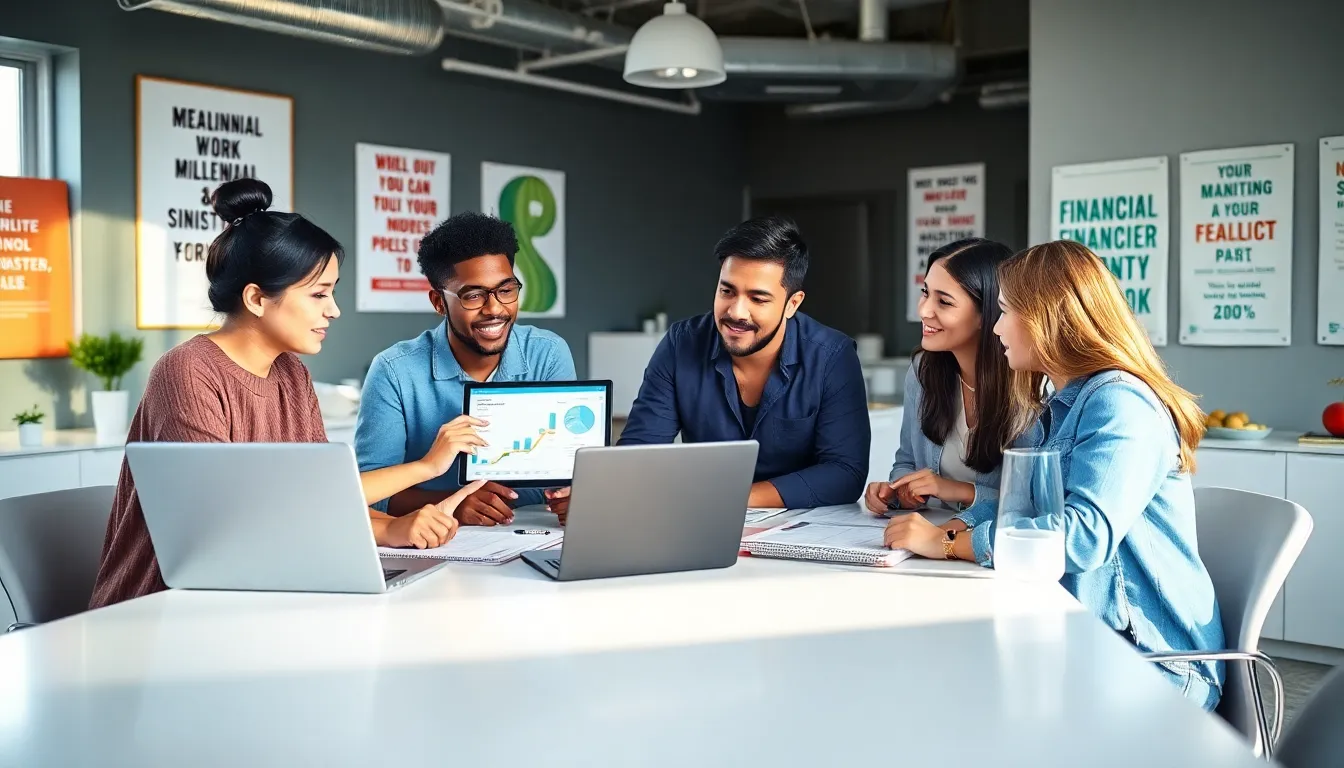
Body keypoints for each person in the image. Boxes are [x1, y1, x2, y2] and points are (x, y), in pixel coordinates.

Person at [90, 179, 485, 609]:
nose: (333, 309)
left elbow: (316, 501)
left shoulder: (292, 374)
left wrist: (394, 528)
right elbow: (232, 523)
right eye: (318, 294)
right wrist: (426, 467)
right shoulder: (187, 372)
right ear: (257, 298)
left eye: (332, 292)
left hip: (260, 595)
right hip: (163, 610)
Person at [884, 240, 1224, 710]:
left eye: (1005, 313)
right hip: (1081, 636)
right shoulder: (1058, 408)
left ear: (1048, 320)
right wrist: (952, 522)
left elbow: (1080, 537)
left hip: (1150, 659)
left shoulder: (1120, 403)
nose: (997, 327)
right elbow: (1021, 506)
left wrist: (946, 544)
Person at [546, 216, 870, 521]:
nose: (736, 311)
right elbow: (640, 452)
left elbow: (845, 473)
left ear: (793, 304)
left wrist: (731, 497)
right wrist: (599, 492)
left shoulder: (831, 356)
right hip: (698, 521)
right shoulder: (681, 344)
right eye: (727, 291)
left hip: (805, 527)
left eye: (758, 299)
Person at [354, 211, 576, 526]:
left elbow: (566, 471)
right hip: (435, 542)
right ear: (438, 302)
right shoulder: (394, 370)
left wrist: (575, 494)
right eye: (473, 296)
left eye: (506, 290)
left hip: (532, 533)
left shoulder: (548, 353)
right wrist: (452, 505)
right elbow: (369, 493)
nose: (495, 309)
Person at [862, 238, 1028, 542]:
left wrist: (953, 490)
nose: (924, 310)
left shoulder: (1029, 387)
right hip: (928, 541)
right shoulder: (923, 372)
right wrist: (898, 492)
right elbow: (907, 462)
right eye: (925, 293)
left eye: (944, 301)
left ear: (987, 313)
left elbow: (1033, 503)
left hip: (986, 547)